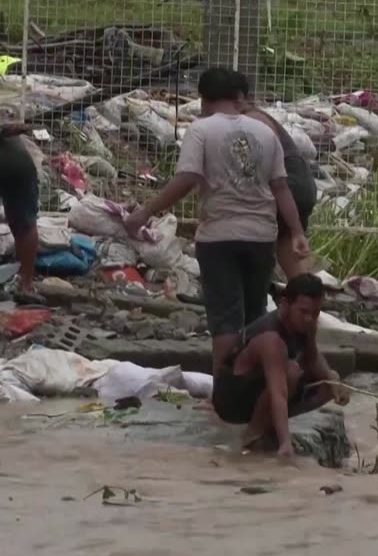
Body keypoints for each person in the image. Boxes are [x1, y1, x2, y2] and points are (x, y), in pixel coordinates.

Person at [123, 67, 310, 374]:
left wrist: (145, 212)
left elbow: (187, 178)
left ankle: (224, 391)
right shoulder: (265, 132)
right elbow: (280, 187)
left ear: (204, 99)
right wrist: (298, 232)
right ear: (240, 98)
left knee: (225, 317)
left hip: (219, 238)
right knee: (255, 313)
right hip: (262, 237)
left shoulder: (202, 129)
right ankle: (254, 384)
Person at [212, 273, 349, 458]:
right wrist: (285, 443)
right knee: (290, 371)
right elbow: (279, 392)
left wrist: (332, 380)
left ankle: (268, 424)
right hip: (232, 400)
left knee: (328, 383)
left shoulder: (308, 325)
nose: (309, 319)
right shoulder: (271, 339)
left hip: (266, 387)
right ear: (286, 304)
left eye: (315, 313)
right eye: (303, 312)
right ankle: (253, 434)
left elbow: (312, 358)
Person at [239, 96, 317, 280]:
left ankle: (240, 292)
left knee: (239, 230)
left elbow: (262, 163)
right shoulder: (256, 116)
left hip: (289, 185)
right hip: (302, 185)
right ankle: (304, 297)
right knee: (286, 242)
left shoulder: (252, 119)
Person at [0, 120, 44, 303]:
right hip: (16, 160)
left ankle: (24, 282)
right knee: (25, 224)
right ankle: (25, 284)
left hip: (12, 161)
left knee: (24, 225)